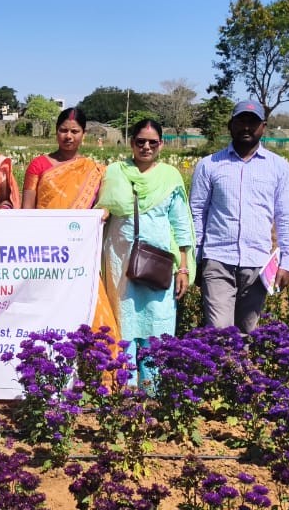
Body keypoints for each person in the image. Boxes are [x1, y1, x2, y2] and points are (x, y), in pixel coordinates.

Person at [96, 119, 194, 384]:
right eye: (141, 141)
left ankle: (152, 388)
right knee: (124, 319)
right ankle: (124, 386)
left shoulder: (170, 177)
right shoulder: (115, 172)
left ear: (161, 144)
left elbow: (181, 224)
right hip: (120, 261)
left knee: (157, 321)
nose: (146, 147)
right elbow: (103, 208)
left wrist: (183, 267)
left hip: (159, 261)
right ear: (132, 143)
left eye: (153, 142)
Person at [190, 100, 289, 334]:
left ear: (264, 127)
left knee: (248, 332)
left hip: (257, 264)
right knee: (220, 332)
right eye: (241, 121)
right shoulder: (209, 165)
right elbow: (197, 213)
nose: (246, 128)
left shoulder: (279, 167)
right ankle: (220, 369)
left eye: (253, 123)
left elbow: (287, 218)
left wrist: (288, 262)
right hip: (218, 259)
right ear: (230, 125)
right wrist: (196, 258)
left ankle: (242, 371)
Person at [22, 107, 119, 337]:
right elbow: (26, 211)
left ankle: (102, 368)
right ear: (56, 132)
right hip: (44, 252)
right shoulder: (39, 165)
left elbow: (104, 208)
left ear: (83, 134)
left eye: (74, 131)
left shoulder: (94, 170)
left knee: (91, 310)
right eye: (63, 130)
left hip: (79, 255)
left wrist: (104, 212)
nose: (68, 136)